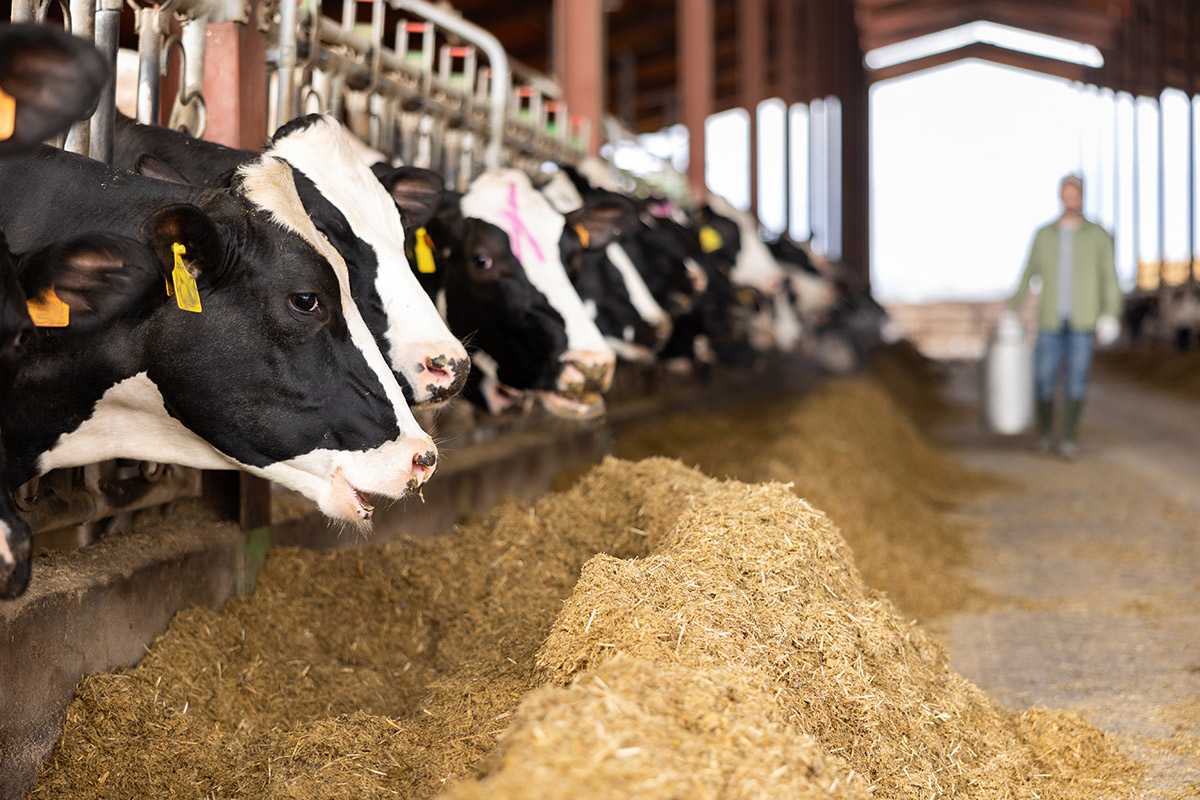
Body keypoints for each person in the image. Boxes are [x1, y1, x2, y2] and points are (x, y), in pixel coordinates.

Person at [1007, 174, 1122, 459]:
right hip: (1050, 320)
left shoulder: (1098, 236)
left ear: (1082, 197)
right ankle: (1045, 435)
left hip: (1083, 319)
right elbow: (1028, 272)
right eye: (1067, 195)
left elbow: (1109, 276)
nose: (1071, 201)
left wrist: (1111, 313)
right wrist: (1013, 310)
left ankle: (1068, 438)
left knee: (1076, 378)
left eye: (1076, 195)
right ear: (1060, 197)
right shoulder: (1044, 235)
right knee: (1044, 377)